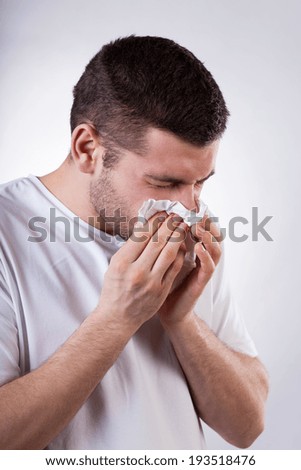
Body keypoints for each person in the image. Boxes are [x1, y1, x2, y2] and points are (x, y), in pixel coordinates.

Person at [0, 35, 268, 450]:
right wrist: (117, 319)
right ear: (88, 148)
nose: (189, 207)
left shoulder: (187, 235)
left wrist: (181, 321)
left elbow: (247, 426)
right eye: (167, 183)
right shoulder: (8, 233)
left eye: (200, 182)